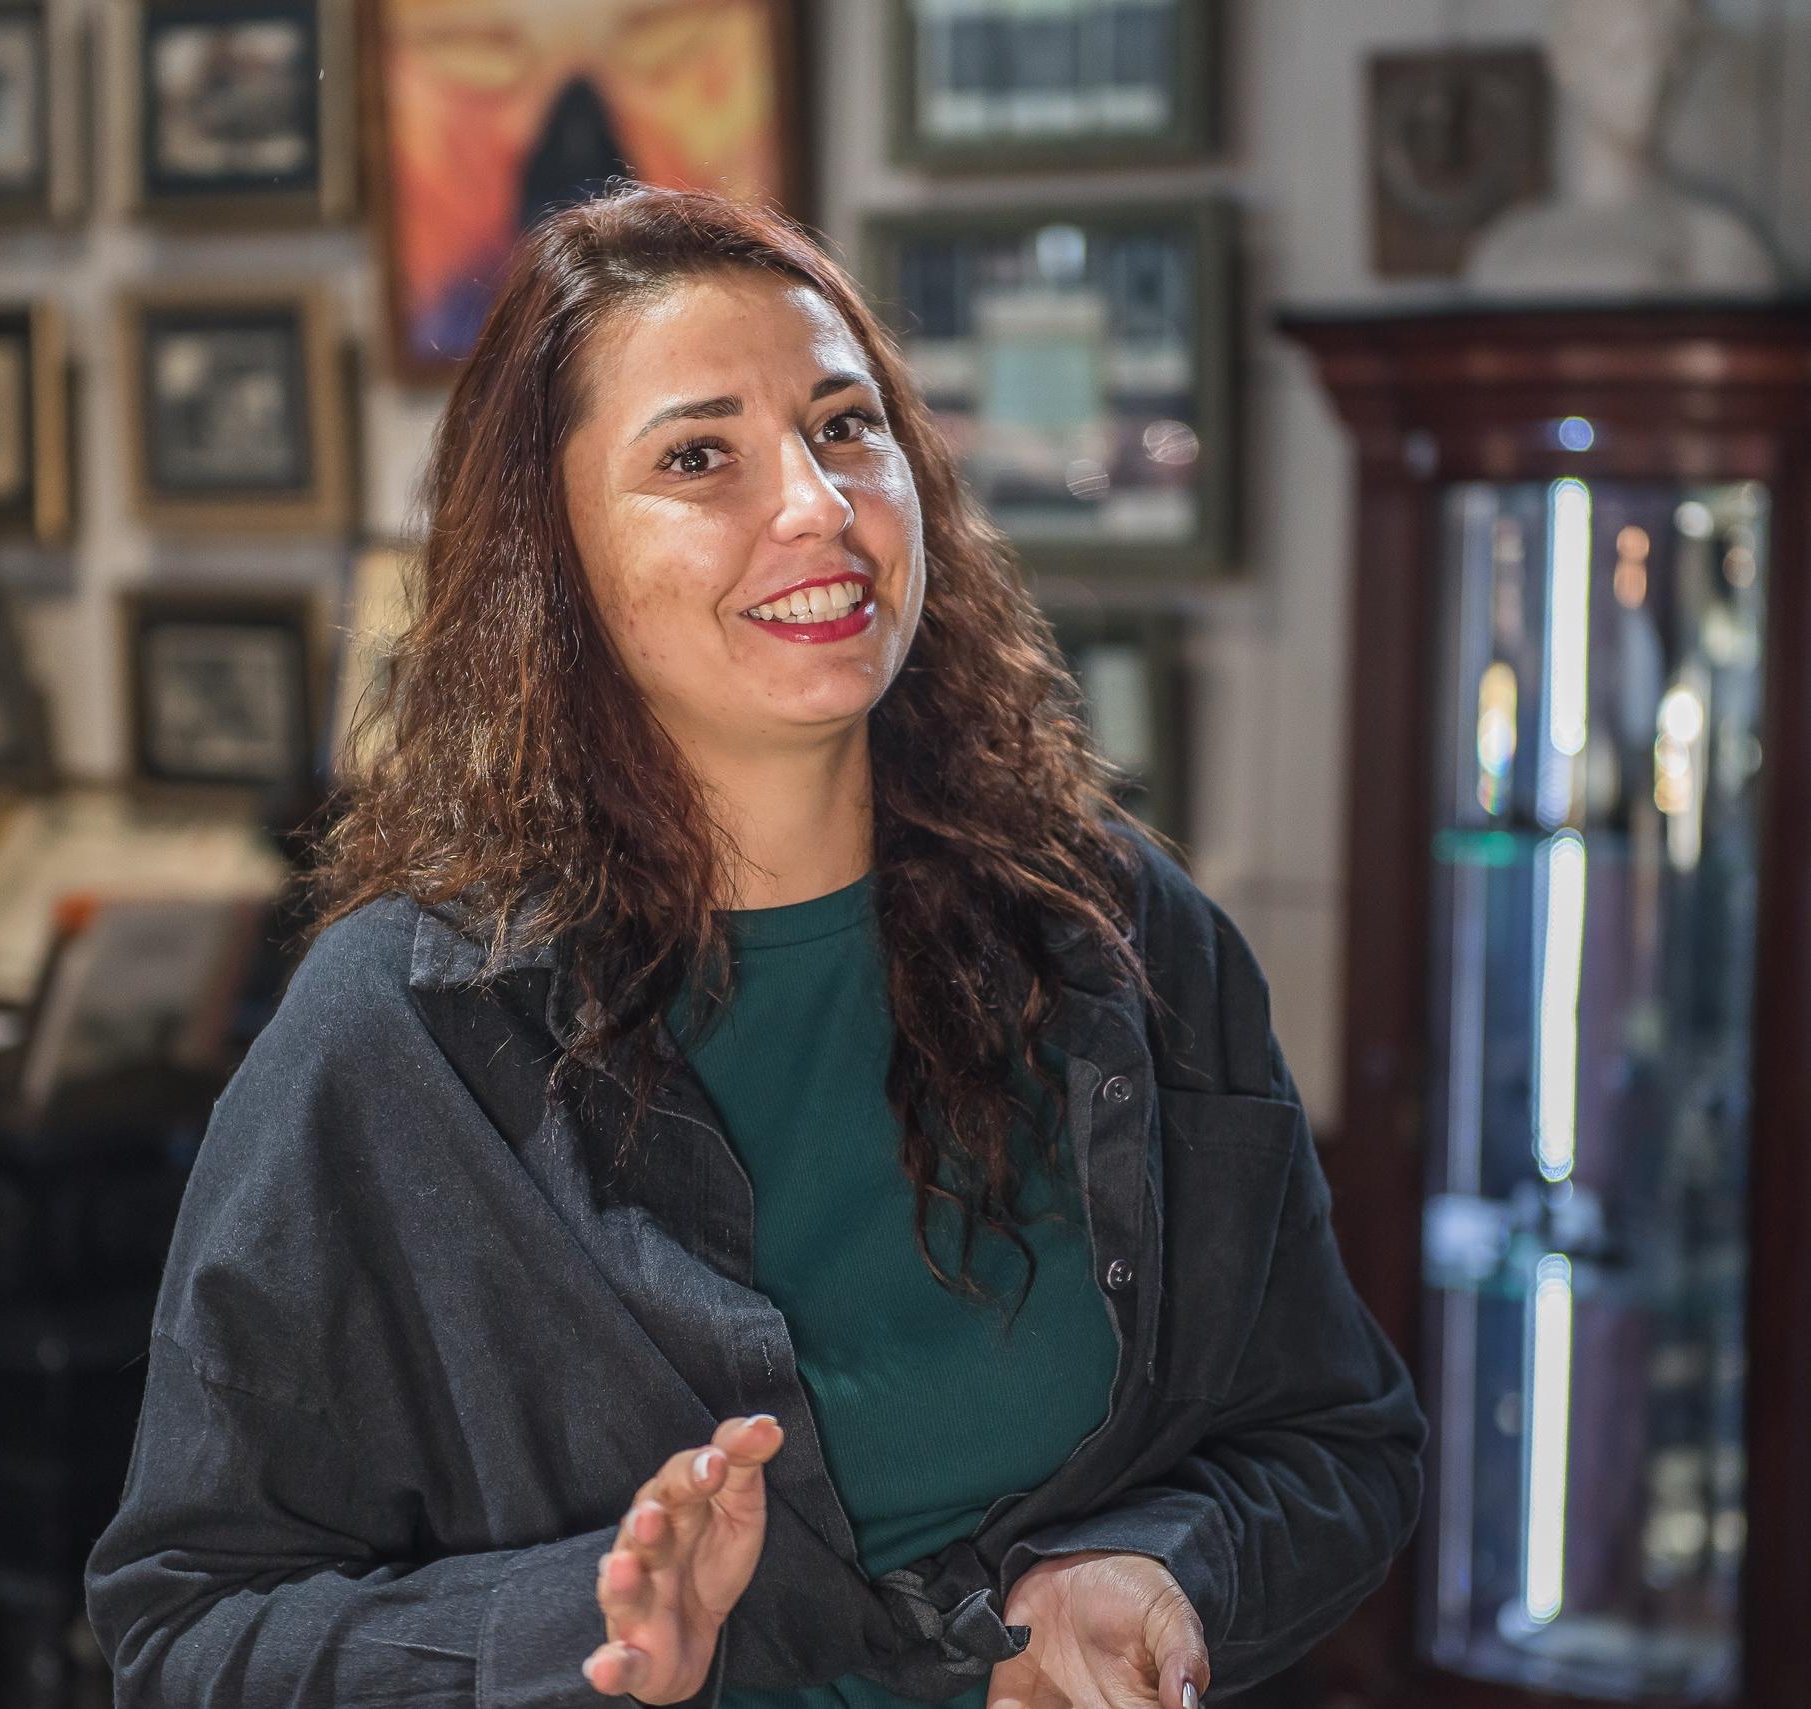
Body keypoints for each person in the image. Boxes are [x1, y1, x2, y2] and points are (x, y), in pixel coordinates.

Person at [85, 186, 1422, 1709]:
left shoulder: (1126, 937)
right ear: (552, 554)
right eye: (698, 457)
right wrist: (575, 1637)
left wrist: (1156, 1565)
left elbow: (1337, 1443)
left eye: (846, 428)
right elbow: (189, 1633)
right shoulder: (397, 1033)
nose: (817, 504)